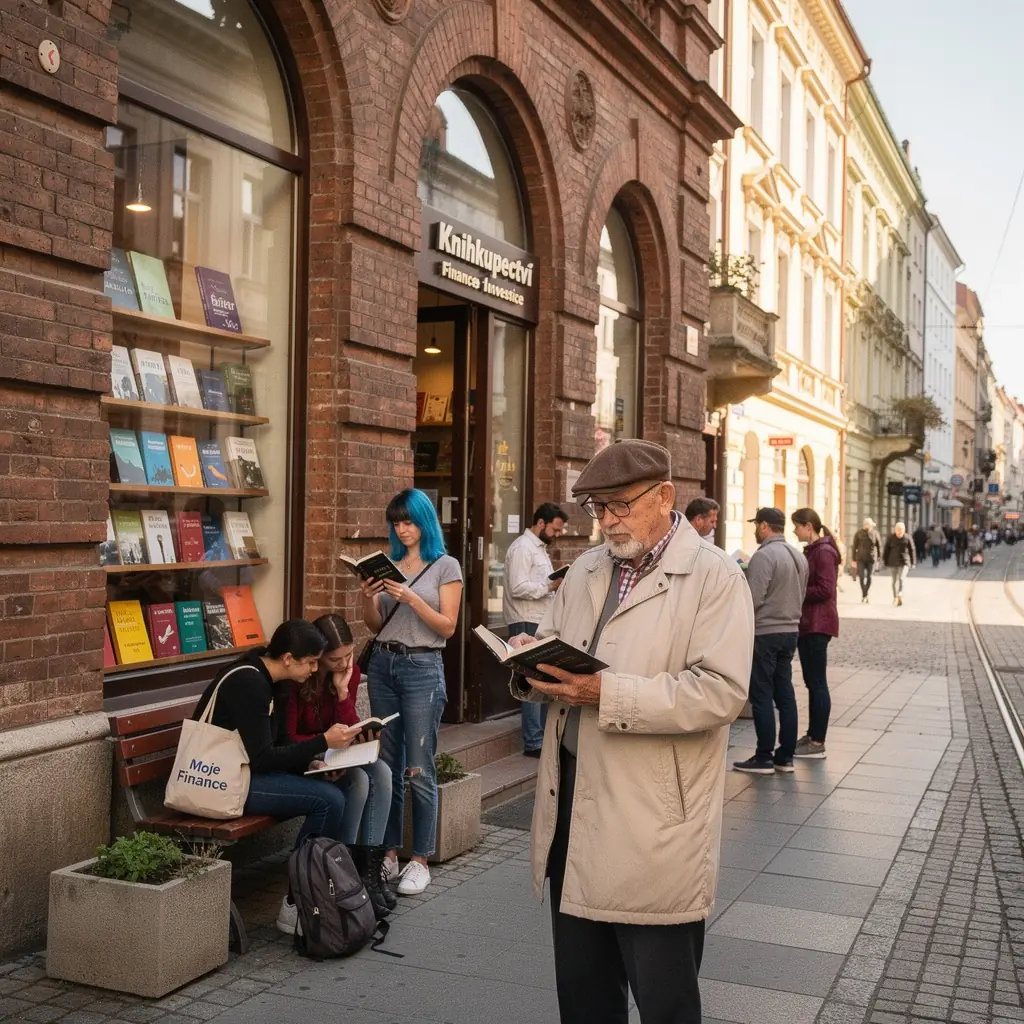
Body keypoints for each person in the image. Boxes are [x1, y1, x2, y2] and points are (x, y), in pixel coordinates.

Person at [508, 438, 753, 1024]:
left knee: (664, 1000)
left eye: (619, 505)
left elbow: (721, 692)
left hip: (654, 818)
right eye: (598, 508)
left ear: (665, 496)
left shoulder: (714, 577)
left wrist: (606, 692)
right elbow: (553, 637)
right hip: (573, 802)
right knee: (584, 994)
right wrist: (527, 659)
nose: (608, 521)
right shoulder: (589, 567)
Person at [191, 620, 365, 935]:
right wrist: (323, 742)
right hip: (225, 781)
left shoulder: (277, 682)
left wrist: (312, 764)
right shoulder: (250, 682)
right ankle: (295, 902)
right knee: (328, 800)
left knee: (340, 787)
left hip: (247, 774)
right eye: (311, 662)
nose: (315, 669)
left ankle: (318, 889)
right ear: (288, 659)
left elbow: (283, 744)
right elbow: (263, 758)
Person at [361, 488, 463, 896]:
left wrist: (409, 597)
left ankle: (420, 858)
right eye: (397, 523)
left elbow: (448, 626)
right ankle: (389, 853)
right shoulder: (391, 564)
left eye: (409, 521)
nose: (403, 529)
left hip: (423, 666)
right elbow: (374, 625)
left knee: (418, 766)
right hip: (384, 665)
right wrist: (368, 598)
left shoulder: (445, 565)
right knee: (387, 763)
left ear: (425, 521)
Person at [284, 614, 396, 919]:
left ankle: (368, 876)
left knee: (382, 771)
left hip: (336, 756)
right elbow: (291, 736)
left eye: (349, 654)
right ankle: (343, 872)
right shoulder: (300, 679)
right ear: (318, 656)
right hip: (307, 761)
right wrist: (321, 749)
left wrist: (344, 692)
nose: (345, 664)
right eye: (335, 658)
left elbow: (347, 728)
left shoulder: (350, 673)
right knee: (359, 782)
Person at [733, 507, 808, 775]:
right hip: (790, 631)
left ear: (765, 526)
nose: (755, 529)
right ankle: (785, 756)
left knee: (761, 694)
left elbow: (751, 599)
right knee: (785, 693)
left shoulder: (764, 556)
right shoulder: (798, 556)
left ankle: (764, 756)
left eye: (757, 525)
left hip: (765, 632)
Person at [503, 502, 570, 757]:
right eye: (555, 529)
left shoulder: (538, 548)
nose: (557, 534)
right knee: (531, 678)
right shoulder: (523, 548)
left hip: (538, 619)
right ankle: (533, 741)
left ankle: (540, 736)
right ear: (541, 523)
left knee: (542, 678)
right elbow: (518, 587)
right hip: (525, 620)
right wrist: (550, 587)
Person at [791, 508, 839, 760]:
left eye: (796, 526)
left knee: (818, 683)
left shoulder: (823, 552)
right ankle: (812, 735)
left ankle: (818, 740)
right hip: (810, 623)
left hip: (817, 624)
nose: (794, 531)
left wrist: (797, 589)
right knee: (813, 683)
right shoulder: (816, 550)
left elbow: (825, 589)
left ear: (808, 526)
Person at [883, 521, 915, 606]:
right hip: (893, 562)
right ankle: (895, 598)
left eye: (901, 529)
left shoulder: (907, 538)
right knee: (894, 581)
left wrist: (913, 562)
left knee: (901, 578)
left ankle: (900, 593)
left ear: (904, 530)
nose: (899, 531)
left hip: (904, 562)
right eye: (898, 529)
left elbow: (912, 550)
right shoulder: (891, 538)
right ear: (895, 529)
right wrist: (885, 561)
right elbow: (886, 550)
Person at [850, 517, 882, 603]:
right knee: (861, 577)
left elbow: (879, 546)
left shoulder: (875, 533)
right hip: (860, 558)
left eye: (869, 525)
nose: (867, 526)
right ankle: (864, 594)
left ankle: (865, 594)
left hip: (871, 558)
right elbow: (854, 547)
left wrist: (879, 558)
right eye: (866, 524)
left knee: (869, 577)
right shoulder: (858, 534)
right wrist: (853, 559)